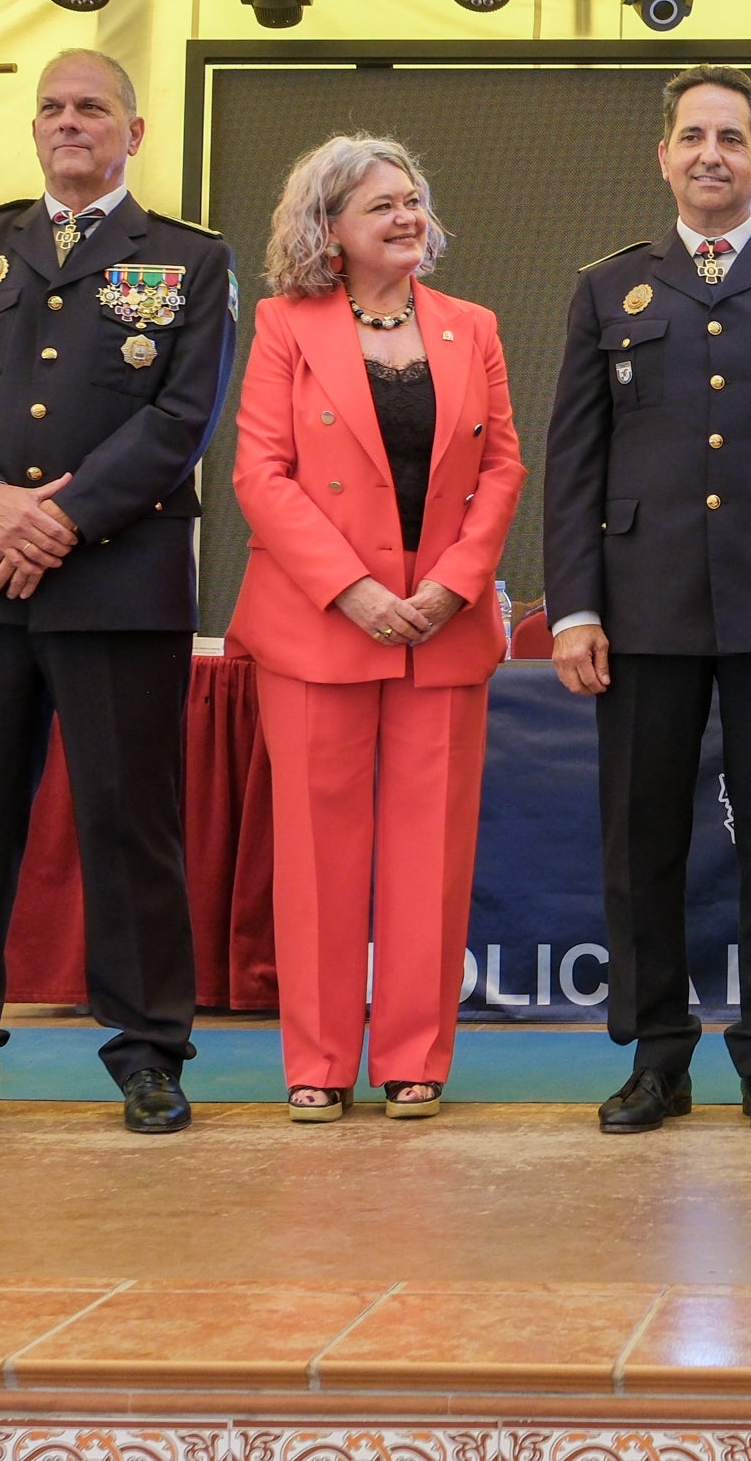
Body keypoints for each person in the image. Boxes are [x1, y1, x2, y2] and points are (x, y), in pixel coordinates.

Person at [0, 48, 234, 1135]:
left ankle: (148, 1053)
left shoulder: (185, 260)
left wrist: (62, 521)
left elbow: (181, 420)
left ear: (133, 132)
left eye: (91, 109)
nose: (69, 123)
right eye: (53, 109)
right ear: (35, 131)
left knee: (130, 823)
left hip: (117, 581)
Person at [542, 64, 751, 1136]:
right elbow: (575, 465)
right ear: (664, 155)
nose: (710, 155)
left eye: (731, 138)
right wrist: (574, 607)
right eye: (692, 136)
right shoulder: (610, 286)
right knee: (642, 840)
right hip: (640, 609)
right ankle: (655, 1058)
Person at [226, 135, 525, 1122]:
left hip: (443, 625)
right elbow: (258, 476)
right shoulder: (283, 327)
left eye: (413, 199)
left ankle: (414, 1061)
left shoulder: (471, 327)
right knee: (317, 855)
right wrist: (352, 589)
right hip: (320, 625)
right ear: (329, 231)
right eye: (380, 206)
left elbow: (502, 470)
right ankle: (315, 1062)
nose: (406, 217)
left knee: (428, 856)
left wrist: (452, 585)